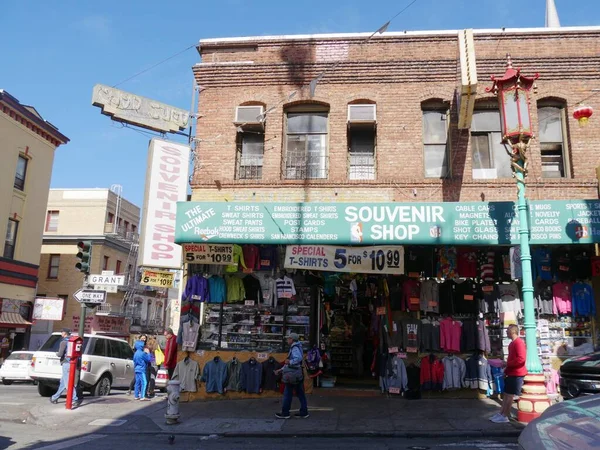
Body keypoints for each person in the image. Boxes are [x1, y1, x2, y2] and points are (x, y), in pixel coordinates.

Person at [491, 324, 526, 423]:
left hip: (517, 372)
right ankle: (502, 413)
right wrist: (506, 369)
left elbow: (521, 359)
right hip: (512, 371)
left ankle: (505, 415)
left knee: (509, 394)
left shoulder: (519, 343)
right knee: (506, 393)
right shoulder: (512, 344)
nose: (506, 332)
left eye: (507, 331)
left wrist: (507, 364)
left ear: (513, 332)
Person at [276, 333, 309, 419]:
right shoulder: (298, 346)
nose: (287, 340)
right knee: (300, 393)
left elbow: (297, 358)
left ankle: (285, 413)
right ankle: (304, 412)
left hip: (292, 375)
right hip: (297, 374)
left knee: (287, 393)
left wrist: (289, 362)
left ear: (292, 339)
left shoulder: (294, 348)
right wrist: (281, 370)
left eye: (288, 338)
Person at [50, 329, 81, 407]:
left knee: (68, 383)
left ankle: (75, 399)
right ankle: (54, 397)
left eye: (62, 332)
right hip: (72, 363)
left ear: (64, 333)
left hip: (66, 363)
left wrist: (56, 353)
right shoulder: (73, 341)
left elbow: (60, 354)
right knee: (63, 382)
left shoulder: (63, 342)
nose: (61, 333)